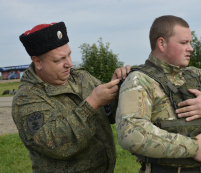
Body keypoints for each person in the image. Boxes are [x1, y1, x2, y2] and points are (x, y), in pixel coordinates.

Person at [116, 15, 201, 173]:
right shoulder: (140, 80)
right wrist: (194, 148)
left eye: (190, 42)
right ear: (162, 43)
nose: (191, 48)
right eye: (184, 43)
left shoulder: (199, 77)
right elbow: (131, 134)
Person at [12, 22, 130, 172]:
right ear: (38, 62)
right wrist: (92, 103)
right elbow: (56, 144)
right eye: (59, 60)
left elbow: (111, 114)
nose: (69, 63)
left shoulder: (80, 77)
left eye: (69, 55)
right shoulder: (27, 99)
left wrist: (119, 87)